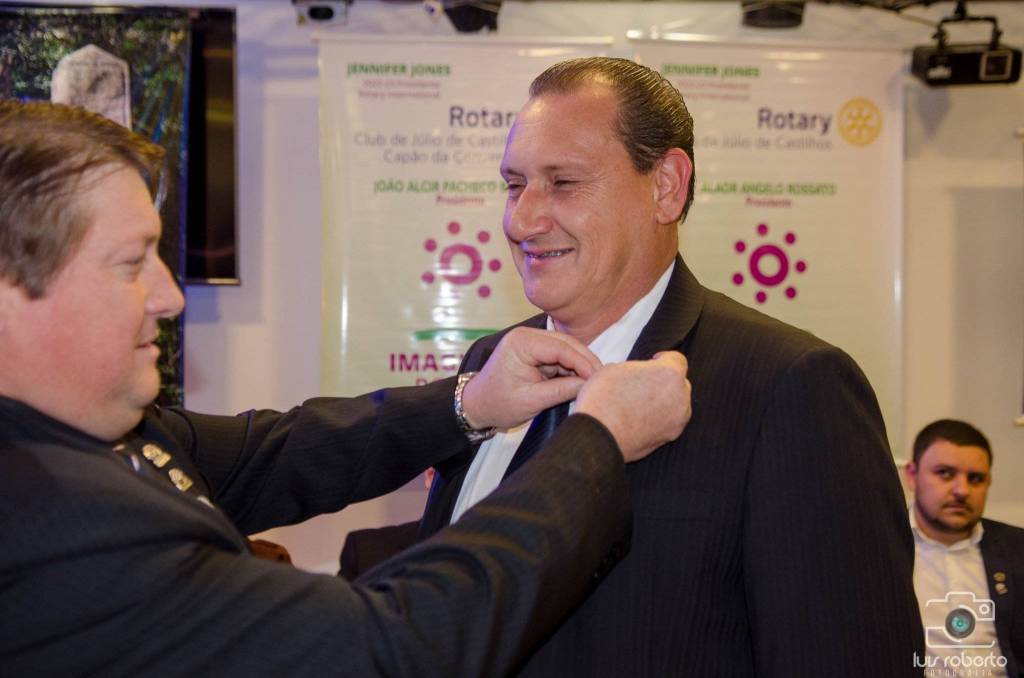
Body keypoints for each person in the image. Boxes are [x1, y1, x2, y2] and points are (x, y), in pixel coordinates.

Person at [0, 100, 694, 676]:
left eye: (564, 182)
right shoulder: (49, 513)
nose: (169, 296)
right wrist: (596, 444)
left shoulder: (103, 431)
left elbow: (275, 455)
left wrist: (467, 404)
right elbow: (392, 644)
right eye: (130, 264)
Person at [419, 57, 924, 676]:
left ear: (666, 187)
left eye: (563, 182)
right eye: (514, 184)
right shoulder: (486, 367)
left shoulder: (790, 386)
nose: (521, 219)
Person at [904, 419, 1023, 677]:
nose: (962, 490)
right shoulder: (885, 548)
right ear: (912, 476)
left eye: (976, 478)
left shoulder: (1017, 550)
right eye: (945, 473)